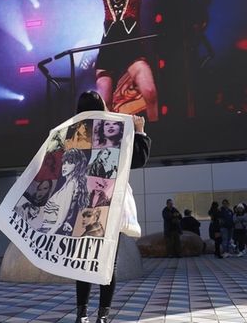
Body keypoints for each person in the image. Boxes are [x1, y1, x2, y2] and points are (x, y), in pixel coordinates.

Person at [58, 0, 160, 122]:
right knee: (103, 104)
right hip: (109, 47)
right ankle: (107, 141)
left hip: (132, 45)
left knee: (150, 91)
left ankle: (158, 132)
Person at [72, 90, 150, 323]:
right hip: (108, 203)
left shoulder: (73, 133)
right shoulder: (114, 129)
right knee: (107, 263)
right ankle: (103, 316)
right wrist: (139, 132)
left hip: (83, 205)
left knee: (83, 262)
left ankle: (81, 314)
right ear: (104, 105)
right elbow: (137, 161)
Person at [39, 148, 90, 235]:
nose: (65, 166)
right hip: (46, 230)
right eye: (64, 162)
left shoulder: (71, 185)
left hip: (49, 232)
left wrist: (45, 238)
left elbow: (59, 222)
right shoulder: (68, 184)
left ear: (77, 165)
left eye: (70, 163)